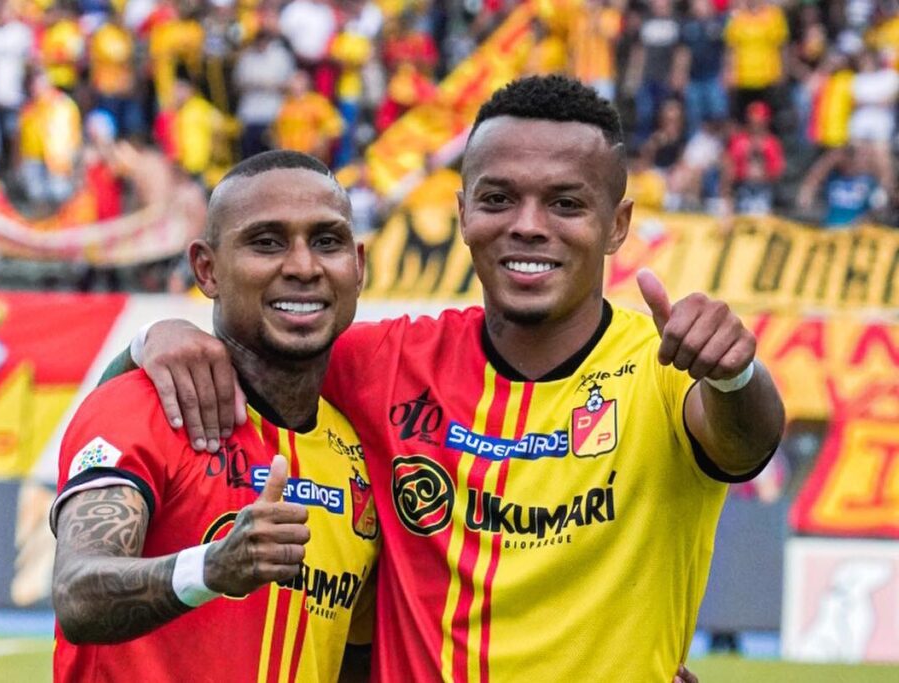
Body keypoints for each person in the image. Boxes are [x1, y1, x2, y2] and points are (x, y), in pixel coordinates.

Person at [122, 76, 782, 681]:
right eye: (498, 198)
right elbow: (186, 380)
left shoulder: (660, 369)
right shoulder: (383, 360)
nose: (528, 224)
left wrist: (735, 375)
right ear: (464, 212)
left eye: (565, 203)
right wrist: (152, 338)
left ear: (617, 225)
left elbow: (745, 438)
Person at [50, 151, 378, 682]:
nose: (302, 266)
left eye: (327, 241)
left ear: (358, 267)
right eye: (266, 242)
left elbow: (353, 661)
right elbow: (78, 592)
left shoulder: (361, 453)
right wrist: (211, 568)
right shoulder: (143, 405)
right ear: (207, 269)